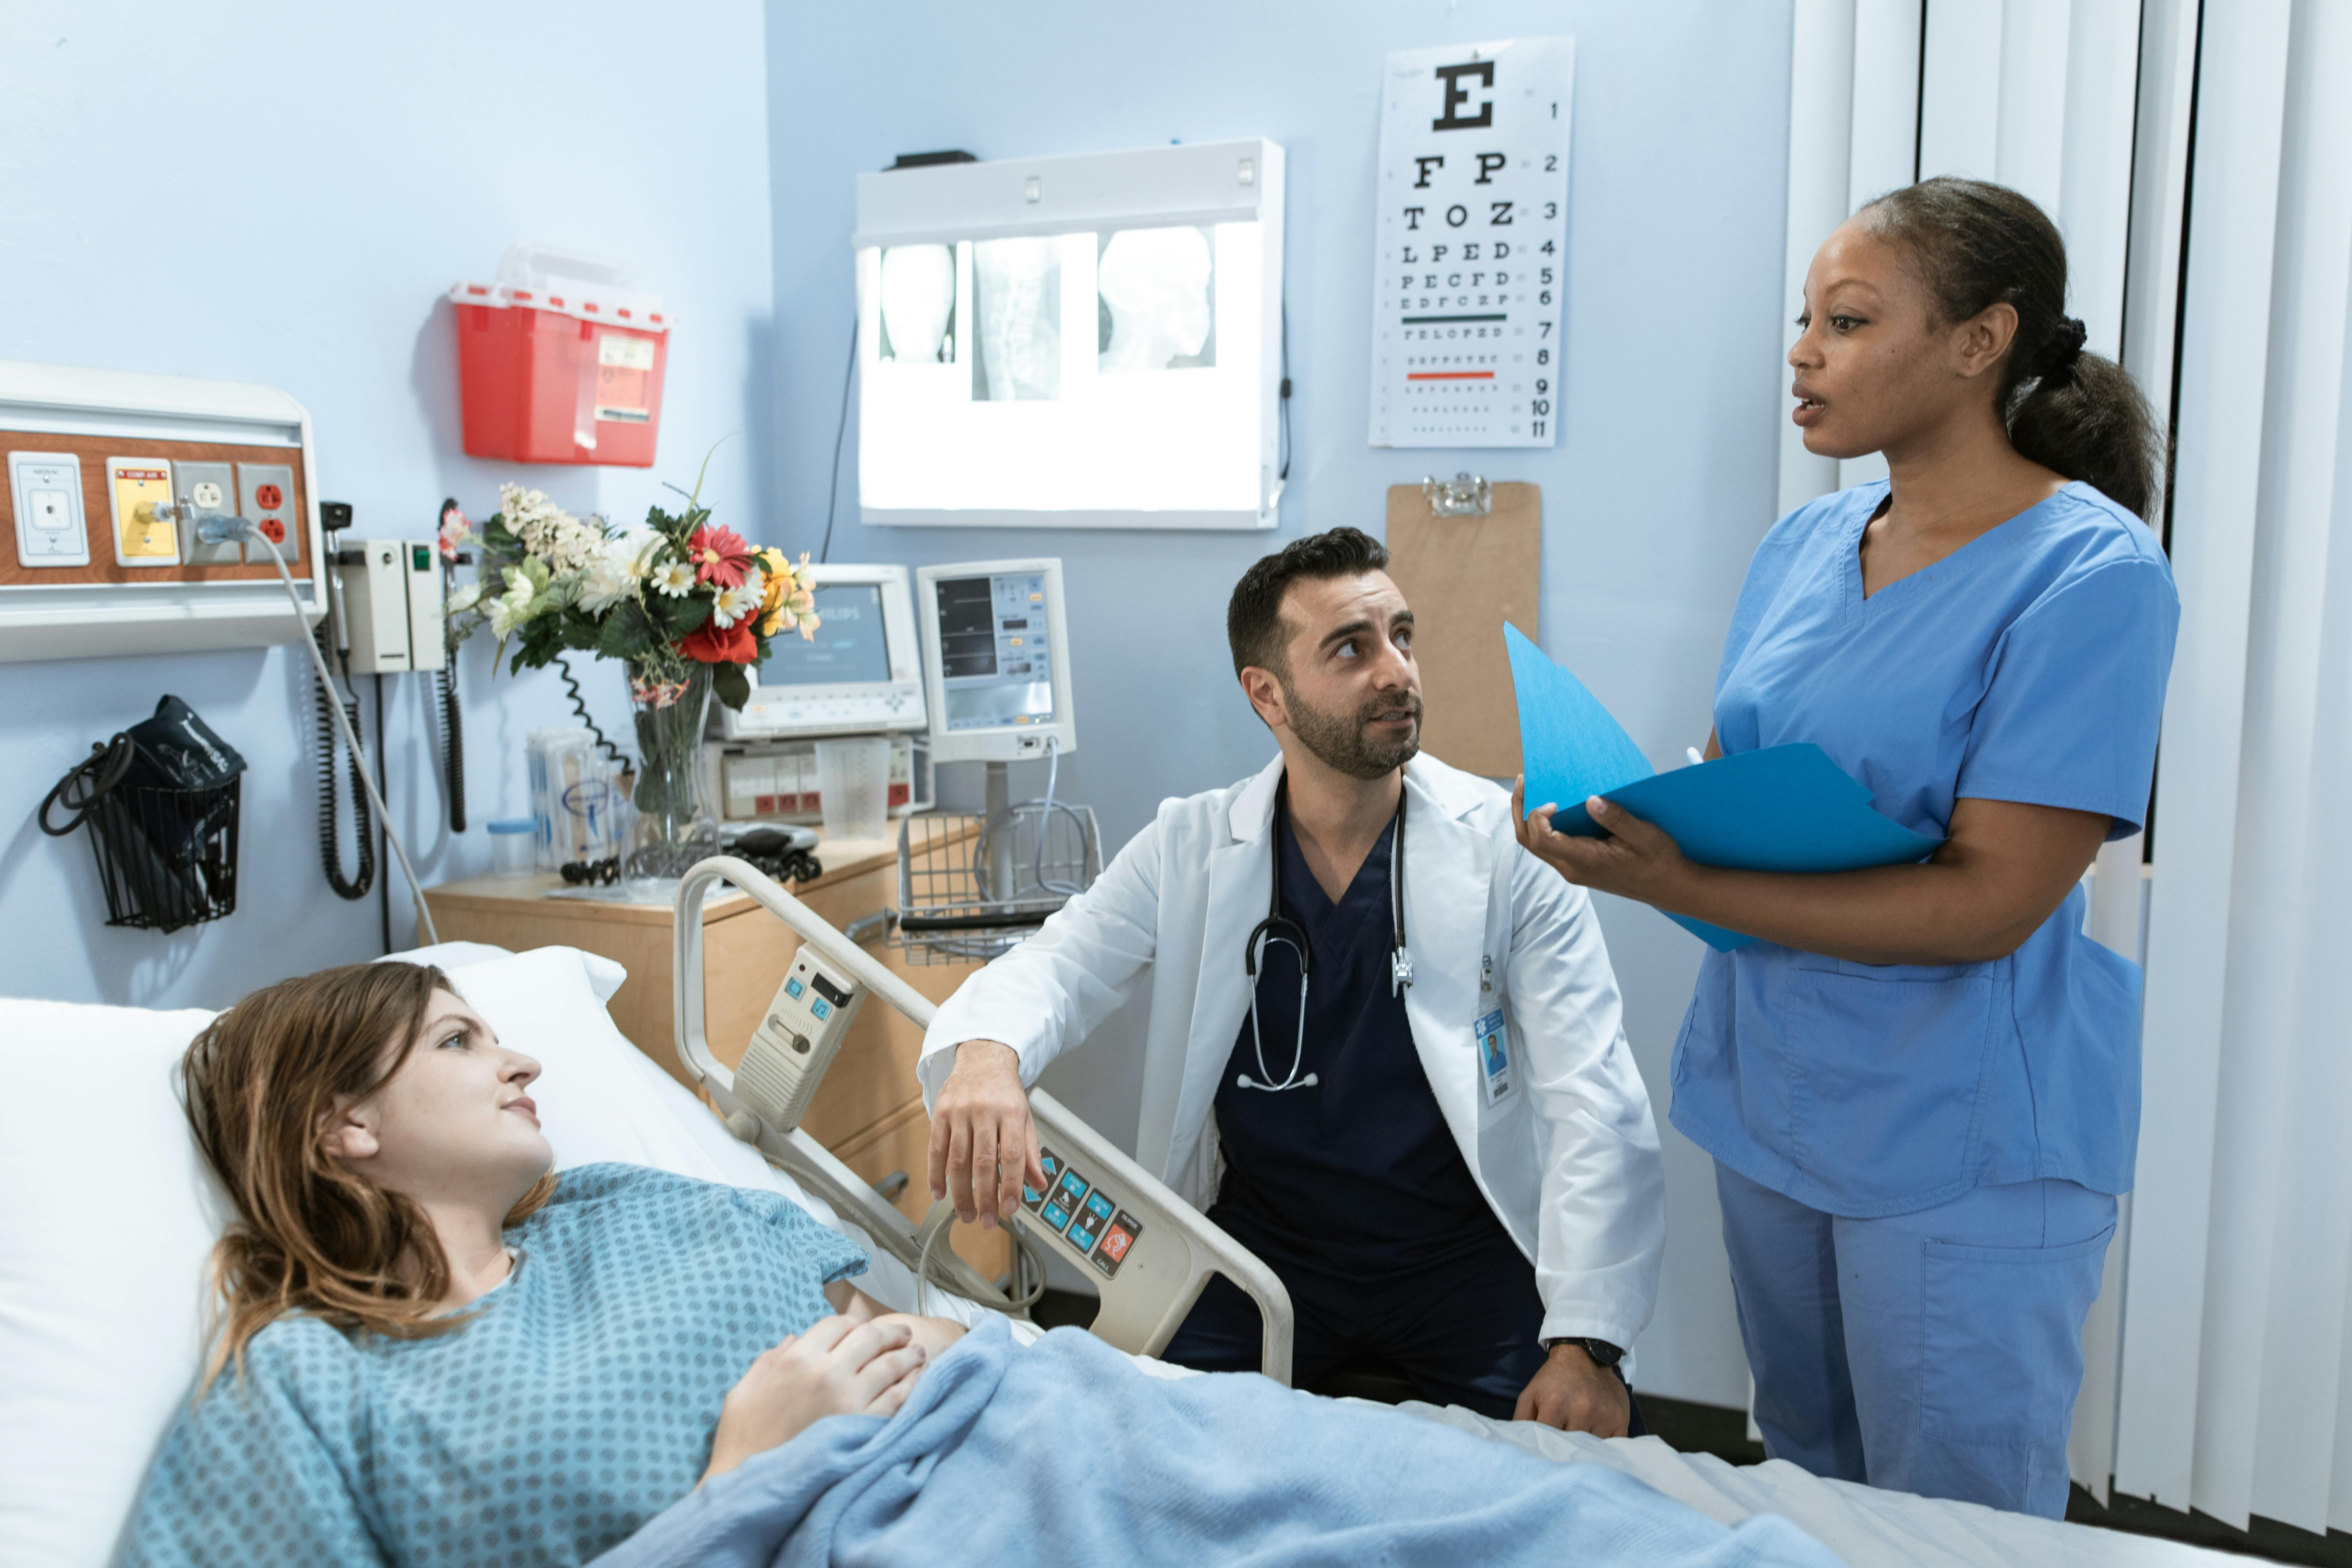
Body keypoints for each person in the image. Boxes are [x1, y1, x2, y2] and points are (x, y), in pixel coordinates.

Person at [121, 961, 1836, 1568]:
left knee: (1503, 1508)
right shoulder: (314, 1388)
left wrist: (931, 1351)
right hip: (882, 1532)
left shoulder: (639, 1209)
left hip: (1057, 1432)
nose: (521, 1062)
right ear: (341, 1126)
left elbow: (895, 1311)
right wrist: (736, 1480)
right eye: (457, 1041)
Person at [1510, 177, 2179, 1518]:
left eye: (1849, 319)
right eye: (1803, 319)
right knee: (1812, 1486)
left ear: (1980, 341)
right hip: (1775, 1097)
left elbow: (1992, 901)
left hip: (1961, 1136)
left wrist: (1682, 880)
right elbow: (1741, 761)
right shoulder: (1807, 540)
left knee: (1953, 1518)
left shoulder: (2089, 577)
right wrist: (1639, 816)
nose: (1803, 351)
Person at [923, 527, 1664, 1432]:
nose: (1397, 671)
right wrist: (987, 1054)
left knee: (1545, 1488)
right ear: (1266, 694)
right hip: (1262, 1264)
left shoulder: (1510, 846)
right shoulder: (1193, 845)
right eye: (1352, 648)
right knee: (1142, 1453)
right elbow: (1060, 963)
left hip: (1461, 1266)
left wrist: (1587, 1344)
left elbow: (1595, 1095)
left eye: (1403, 636)